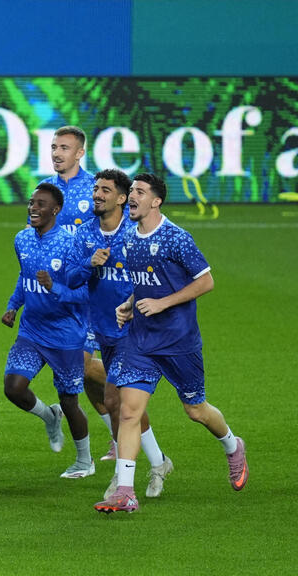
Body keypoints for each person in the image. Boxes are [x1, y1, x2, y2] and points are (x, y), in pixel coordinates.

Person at [95, 173, 248, 513]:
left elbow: (205, 282)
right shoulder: (131, 240)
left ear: (156, 201)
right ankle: (125, 491)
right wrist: (131, 305)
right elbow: (147, 283)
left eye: (139, 192)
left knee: (196, 410)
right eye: (131, 191)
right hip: (142, 342)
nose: (131, 196)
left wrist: (163, 303)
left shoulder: (176, 238)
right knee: (130, 412)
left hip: (179, 342)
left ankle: (232, 445)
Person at [74, 169, 172, 499]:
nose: (97, 194)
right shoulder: (85, 233)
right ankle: (158, 462)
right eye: (95, 188)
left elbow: (158, 274)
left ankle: (121, 480)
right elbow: (71, 279)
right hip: (99, 327)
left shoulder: (138, 231)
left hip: (134, 329)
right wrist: (88, 263)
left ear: (120, 197)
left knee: (117, 401)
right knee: (123, 404)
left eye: (105, 189)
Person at [1, 183, 93, 479]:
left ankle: (84, 461)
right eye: (31, 203)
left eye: (40, 204)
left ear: (56, 210)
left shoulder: (70, 245)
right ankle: (48, 416)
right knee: (13, 388)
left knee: (69, 400)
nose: (33, 208)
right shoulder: (22, 239)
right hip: (32, 329)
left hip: (65, 334)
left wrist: (55, 287)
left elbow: (84, 295)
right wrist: (14, 305)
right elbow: (23, 275)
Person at [41, 125, 114, 457]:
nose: (57, 153)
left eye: (65, 148)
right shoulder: (44, 190)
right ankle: (118, 438)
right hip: (57, 293)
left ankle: (129, 381)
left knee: (80, 366)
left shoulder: (95, 190)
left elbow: (117, 229)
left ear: (80, 152)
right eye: (54, 147)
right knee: (83, 378)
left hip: (90, 294)